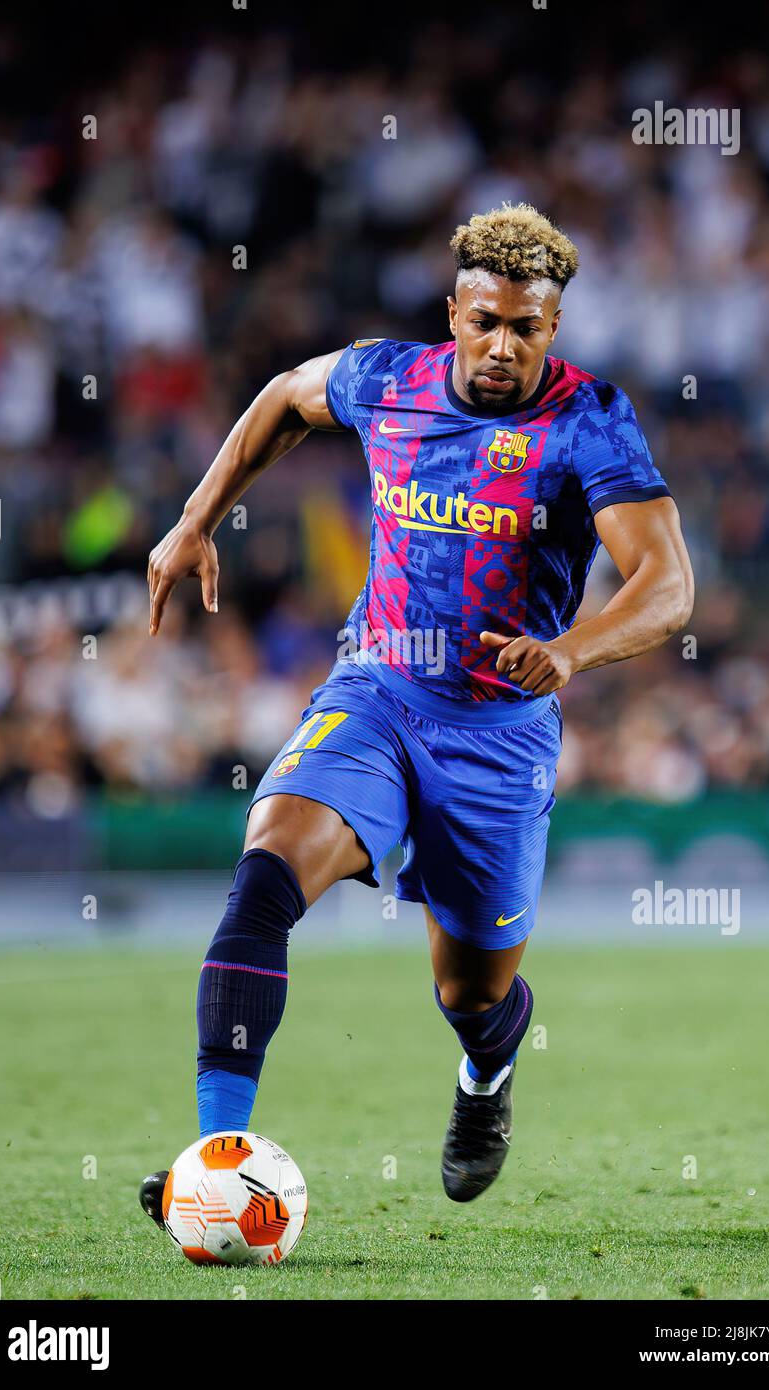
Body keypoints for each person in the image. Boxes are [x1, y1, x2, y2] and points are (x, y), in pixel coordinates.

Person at [140, 204, 694, 1221]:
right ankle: (217, 1152)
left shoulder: (587, 421)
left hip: (497, 735)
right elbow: (281, 397)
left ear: (552, 328)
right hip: (377, 693)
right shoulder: (387, 379)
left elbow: (665, 585)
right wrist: (193, 519)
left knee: (471, 995)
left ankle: (486, 1075)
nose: (500, 346)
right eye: (483, 320)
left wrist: (570, 648)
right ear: (453, 312)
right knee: (265, 867)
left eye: (524, 328)